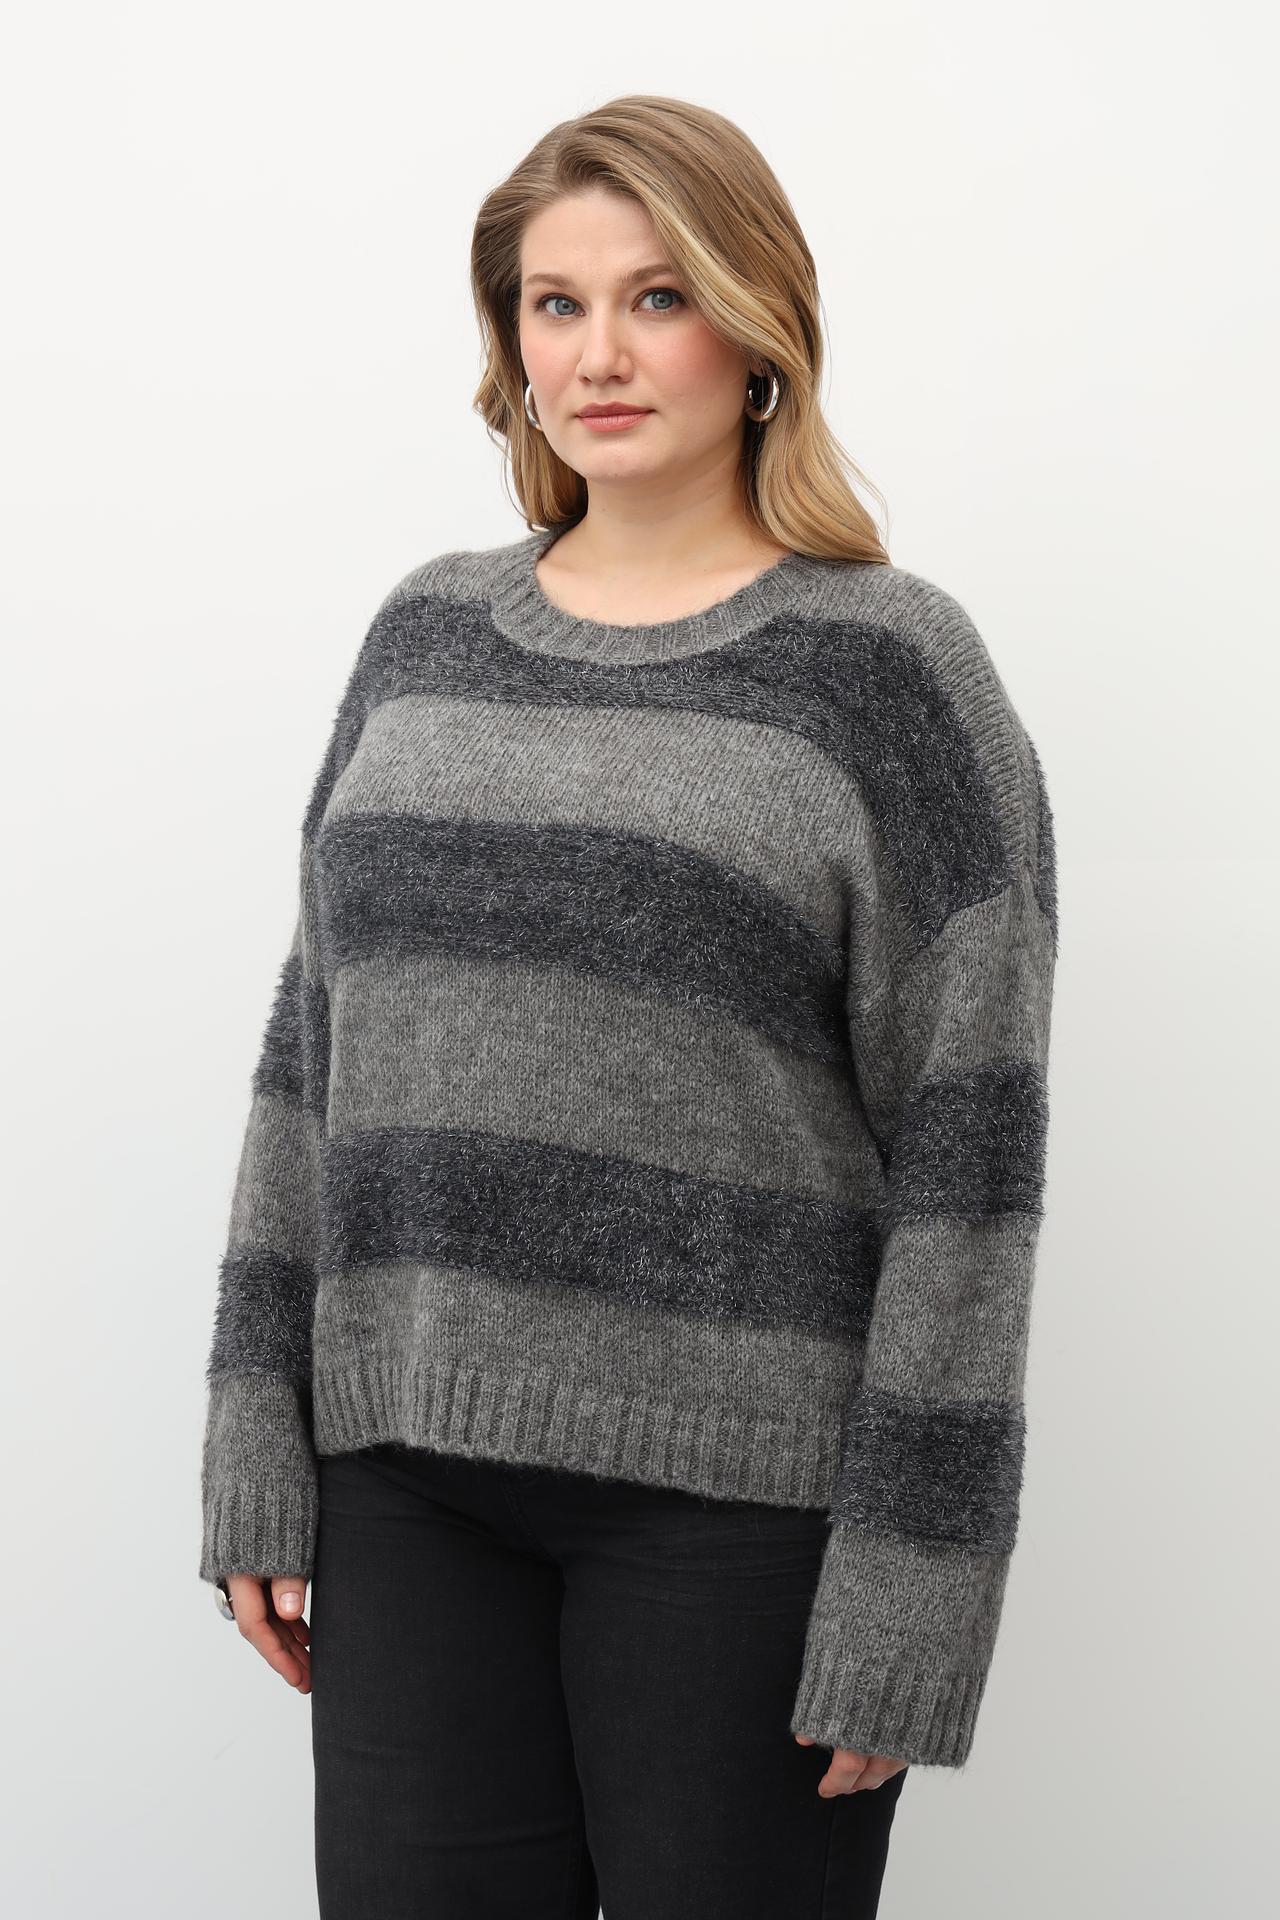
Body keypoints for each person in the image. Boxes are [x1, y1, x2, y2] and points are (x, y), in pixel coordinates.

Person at [198, 93, 1059, 1920]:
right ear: (508, 344)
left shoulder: (892, 675)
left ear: (757, 330)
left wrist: (921, 1577)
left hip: (736, 1520)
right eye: (554, 302)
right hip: (407, 1488)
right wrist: (256, 1433)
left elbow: (970, 1162)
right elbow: (310, 1065)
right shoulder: (424, 634)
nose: (598, 353)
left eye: (658, 297)